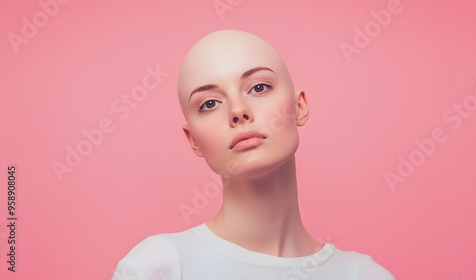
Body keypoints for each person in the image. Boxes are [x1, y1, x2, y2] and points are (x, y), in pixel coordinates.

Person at [111, 29, 395, 280]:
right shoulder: (158, 267)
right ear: (193, 140)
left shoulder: (365, 276)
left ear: (299, 107)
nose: (238, 111)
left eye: (259, 87)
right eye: (209, 103)